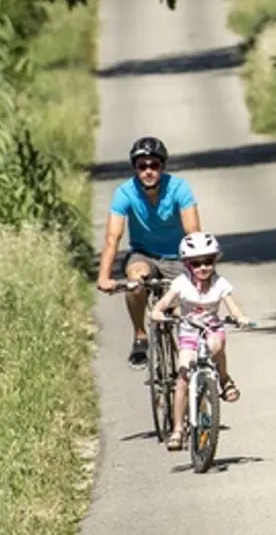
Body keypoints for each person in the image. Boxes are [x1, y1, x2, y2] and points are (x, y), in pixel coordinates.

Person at [97, 136, 202, 368]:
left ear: (162, 166)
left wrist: (197, 269)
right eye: (142, 166)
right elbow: (112, 238)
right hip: (144, 255)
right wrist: (104, 277)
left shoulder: (179, 189)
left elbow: (193, 232)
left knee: (180, 310)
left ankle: (188, 360)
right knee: (135, 281)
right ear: (135, 168)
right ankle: (140, 335)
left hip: (178, 257)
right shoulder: (125, 193)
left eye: (154, 165)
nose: (148, 171)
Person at [150, 232, 246, 450]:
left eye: (208, 261)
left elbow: (232, 306)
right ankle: (177, 429)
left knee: (216, 347)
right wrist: (157, 312)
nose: (203, 267)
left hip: (212, 330)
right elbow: (164, 302)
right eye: (196, 263)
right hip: (189, 333)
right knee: (183, 379)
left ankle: (223, 379)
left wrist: (240, 317)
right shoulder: (181, 283)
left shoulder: (220, 283)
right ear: (187, 264)